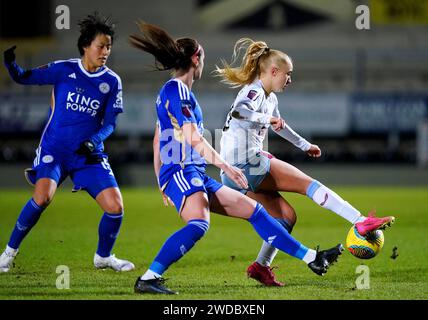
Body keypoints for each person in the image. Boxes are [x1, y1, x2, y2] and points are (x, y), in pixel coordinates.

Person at [129, 22, 344, 295]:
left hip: (191, 173)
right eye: (202, 56)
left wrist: (161, 180)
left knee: (256, 212)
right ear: (196, 58)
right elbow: (194, 137)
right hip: (182, 171)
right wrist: (225, 166)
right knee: (198, 225)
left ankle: (312, 258)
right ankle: (149, 278)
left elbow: (158, 137)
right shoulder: (178, 91)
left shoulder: (178, 93)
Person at [215, 38, 395, 286]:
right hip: (248, 164)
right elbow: (239, 112)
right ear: (273, 72)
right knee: (309, 185)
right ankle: (360, 221)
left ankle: (261, 267)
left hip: (234, 173)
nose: (289, 80)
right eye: (287, 74)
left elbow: (280, 126)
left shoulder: (270, 98)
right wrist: (266, 119)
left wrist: (304, 144)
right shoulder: (253, 91)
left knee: (286, 217)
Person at [0, 13, 134, 273]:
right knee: (42, 197)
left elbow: (110, 124)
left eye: (108, 46)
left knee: (115, 207)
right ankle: (7, 254)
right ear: (86, 46)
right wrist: (10, 64)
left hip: (87, 155)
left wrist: (93, 142)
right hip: (56, 150)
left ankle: (103, 257)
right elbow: (24, 77)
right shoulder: (64, 69)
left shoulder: (112, 81)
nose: (105, 51)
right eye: (100, 46)